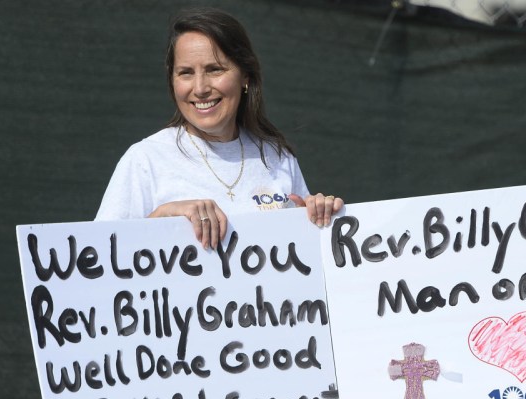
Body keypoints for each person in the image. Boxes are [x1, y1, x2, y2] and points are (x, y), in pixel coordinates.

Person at [96, 7, 343, 248]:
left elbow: (310, 258)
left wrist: (320, 216)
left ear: (245, 76)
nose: (200, 87)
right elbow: (98, 260)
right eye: (185, 73)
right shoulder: (145, 160)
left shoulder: (278, 157)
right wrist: (160, 218)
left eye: (214, 70)